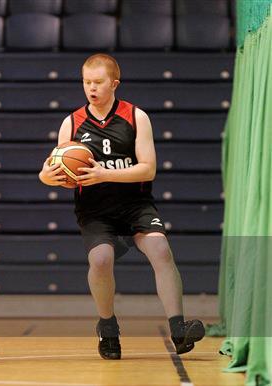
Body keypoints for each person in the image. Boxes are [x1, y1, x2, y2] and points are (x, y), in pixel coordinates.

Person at [39, 54, 205, 359]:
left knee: (160, 250)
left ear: (114, 83)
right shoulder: (72, 122)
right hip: (95, 210)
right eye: (87, 82)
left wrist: (103, 173)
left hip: (135, 204)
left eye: (98, 82)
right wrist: (48, 176)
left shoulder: (135, 116)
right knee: (100, 260)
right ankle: (108, 328)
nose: (91, 88)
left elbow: (148, 169)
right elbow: (52, 169)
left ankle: (178, 329)